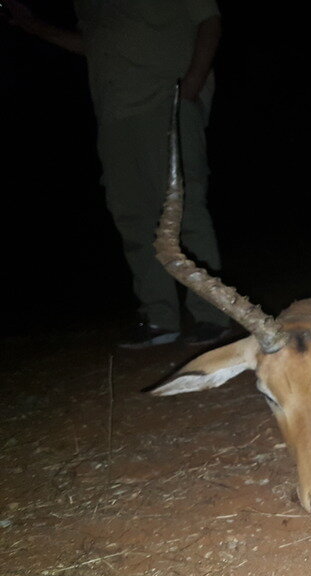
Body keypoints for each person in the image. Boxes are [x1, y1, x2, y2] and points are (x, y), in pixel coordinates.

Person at [5, 0, 232, 348]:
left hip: (165, 98)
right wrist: (36, 28)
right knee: (133, 218)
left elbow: (209, 20)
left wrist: (193, 81)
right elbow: (96, 44)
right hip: (113, 114)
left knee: (184, 211)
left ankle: (211, 316)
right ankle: (159, 318)